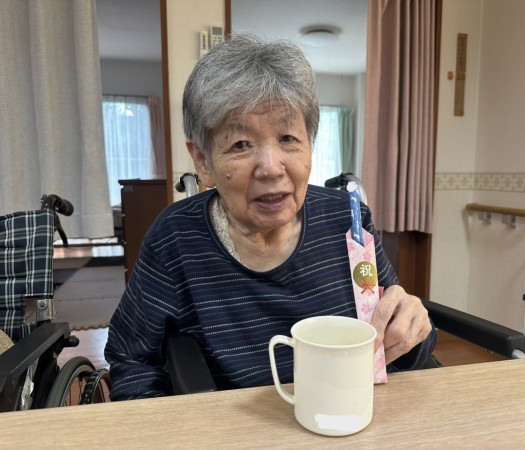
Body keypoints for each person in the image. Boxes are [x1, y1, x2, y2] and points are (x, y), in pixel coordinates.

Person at [105, 34, 436, 400]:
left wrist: (411, 328)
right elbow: (132, 360)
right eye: (241, 144)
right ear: (203, 161)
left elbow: (405, 340)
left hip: (349, 414)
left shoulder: (348, 217)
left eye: (288, 138)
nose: (271, 168)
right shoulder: (176, 236)